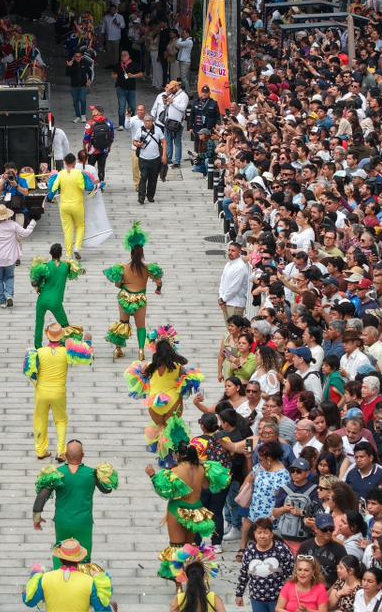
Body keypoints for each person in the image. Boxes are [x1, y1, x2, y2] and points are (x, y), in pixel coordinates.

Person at [148, 432, 230, 580]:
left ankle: (179, 585)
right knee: (190, 547)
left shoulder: (174, 472)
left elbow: (164, 492)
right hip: (196, 511)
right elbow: (208, 485)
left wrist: (152, 475)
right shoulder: (203, 469)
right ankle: (193, 578)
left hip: (177, 510)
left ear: (178, 455)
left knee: (177, 547)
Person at [32, 438, 117, 567]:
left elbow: (42, 496)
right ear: (83, 455)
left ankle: (60, 575)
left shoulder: (57, 474)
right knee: (84, 555)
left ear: (65, 455)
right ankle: (81, 577)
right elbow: (107, 490)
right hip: (83, 523)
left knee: (61, 551)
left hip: (63, 522)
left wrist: (36, 517)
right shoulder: (92, 474)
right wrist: (106, 475)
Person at [125, 326, 202, 465]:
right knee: (172, 429)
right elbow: (186, 379)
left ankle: (163, 458)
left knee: (161, 429)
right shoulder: (177, 366)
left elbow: (142, 377)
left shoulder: (150, 366)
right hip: (172, 402)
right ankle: (174, 457)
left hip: (154, 403)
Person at [105, 223, 164, 359]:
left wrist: (123, 283)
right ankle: (141, 351)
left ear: (131, 254)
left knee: (123, 323)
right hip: (140, 299)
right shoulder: (148, 268)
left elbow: (117, 285)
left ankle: (118, 349)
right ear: (142, 254)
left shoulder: (123, 268)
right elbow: (159, 281)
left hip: (125, 298)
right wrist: (158, 289)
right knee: (141, 326)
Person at [21, 538, 114, 611]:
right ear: (80, 559)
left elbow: (29, 602)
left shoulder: (45, 578)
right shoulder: (89, 581)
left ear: (60, 558)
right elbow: (102, 609)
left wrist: (32, 580)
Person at [30, 244, 83, 348]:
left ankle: (38, 347)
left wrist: (38, 288)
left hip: (42, 299)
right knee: (65, 325)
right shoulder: (66, 266)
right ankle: (65, 345)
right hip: (56, 302)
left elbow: (34, 282)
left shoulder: (44, 266)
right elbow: (78, 270)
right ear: (61, 254)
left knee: (39, 324)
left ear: (50, 253)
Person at [237, 518, 296, 612]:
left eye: (266, 533)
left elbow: (291, 572)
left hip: (279, 598)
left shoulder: (281, 549)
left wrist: (291, 594)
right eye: (259, 533)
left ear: (271, 534)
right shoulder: (249, 552)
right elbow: (244, 574)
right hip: (257, 598)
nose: (262, 536)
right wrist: (239, 594)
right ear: (254, 534)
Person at [46, 154, 96, 261]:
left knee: (67, 230)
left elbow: (53, 189)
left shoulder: (60, 174)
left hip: (64, 206)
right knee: (80, 226)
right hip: (77, 205)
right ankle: (77, 247)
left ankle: (69, 255)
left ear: (65, 163)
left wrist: (49, 198)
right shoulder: (79, 173)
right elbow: (89, 187)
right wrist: (86, 176)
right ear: (74, 163)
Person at [133, 114, 167, 204]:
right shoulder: (140, 130)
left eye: (149, 121)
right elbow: (134, 141)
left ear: (152, 122)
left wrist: (164, 155)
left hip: (155, 159)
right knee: (143, 177)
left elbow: (164, 141)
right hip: (143, 158)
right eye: (145, 121)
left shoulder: (158, 130)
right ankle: (141, 197)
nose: (147, 123)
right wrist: (137, 144)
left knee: (153, 178)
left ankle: (150, 196)